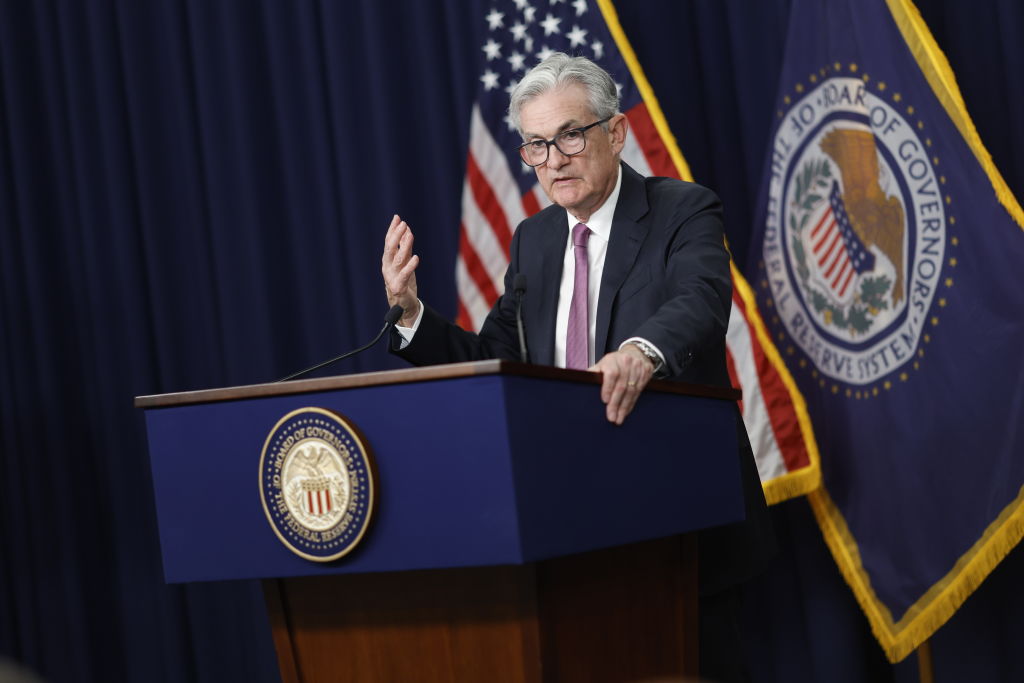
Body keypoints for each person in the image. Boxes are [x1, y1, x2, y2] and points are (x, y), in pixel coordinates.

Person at [381, 53, 772, 682]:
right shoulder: (534, 240)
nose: (554, 160)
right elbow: (497, 360)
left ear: (615, 133)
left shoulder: (682, 209)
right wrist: (410, 315)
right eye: (536, 145)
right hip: (569, 524)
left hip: (675, 520)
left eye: (570, 135)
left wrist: (640, 353)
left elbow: (700, 300)